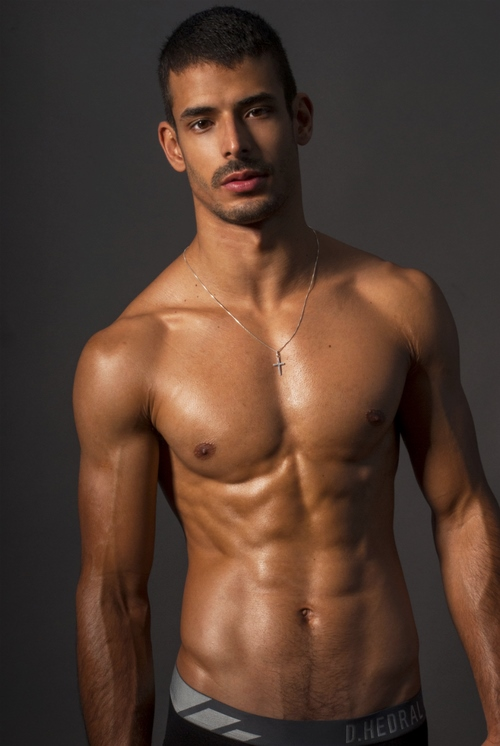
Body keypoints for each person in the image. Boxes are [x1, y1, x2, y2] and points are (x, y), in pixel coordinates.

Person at [74, 6, 500, 746]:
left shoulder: (399, 305)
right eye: (202, 122)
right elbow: (114, 593)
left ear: (299, 117)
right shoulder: (130, 354)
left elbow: (464, 512)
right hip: (220, 725)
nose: (234, 145)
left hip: (389, 723)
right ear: (173, 145)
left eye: (257, 110)